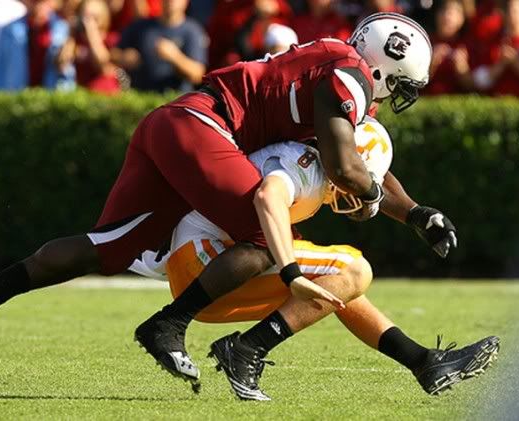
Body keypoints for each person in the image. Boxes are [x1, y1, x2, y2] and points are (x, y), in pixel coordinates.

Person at [0, 14, 443, 391]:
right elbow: (345, 167)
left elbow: (359, 161)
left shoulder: (336, 60)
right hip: (204, 127)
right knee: (264, 234)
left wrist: (414, 211)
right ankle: (169, 325)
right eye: (400, 83)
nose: (394, 96)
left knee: (112, 247)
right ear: (385, 65)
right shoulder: (348, 74)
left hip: (176, 123)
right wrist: (372, 199)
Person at [129, 117, 497, 400]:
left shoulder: (320, 163)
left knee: (337, 283)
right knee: (353, 269)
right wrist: (290, 272)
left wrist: (415, 213)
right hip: (206, 264)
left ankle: (422, 363)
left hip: (209, 272)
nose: (368, 192)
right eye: (364, 179)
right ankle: (246, 350)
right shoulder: (302, 162)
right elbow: (269, 195)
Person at [111, 0, 206, 92]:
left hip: (174, 99)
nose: (170, 1)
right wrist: (123, 57)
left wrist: (175, 57)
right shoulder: (141, 26)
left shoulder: (192, 31)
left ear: (186, 2)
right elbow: (113, 54)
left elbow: (198, 75)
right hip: (138, 96)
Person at [0, 0, 75, 90]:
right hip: (16, 97)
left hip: (50, 95)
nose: (38, 5)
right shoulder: (9, 30)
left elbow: (68, 74)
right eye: (34, 1)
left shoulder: (62, 29)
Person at [470, 0, 519, 96]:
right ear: (504, 13)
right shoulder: (493, 40)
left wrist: (515, 62)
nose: (514, 15)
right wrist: (501, 64)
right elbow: (479, 81)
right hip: (497, 103)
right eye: (511, 10)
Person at [57, 0, 122, 94]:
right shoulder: (77, 41)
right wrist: (70, 36)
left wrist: (92, 35)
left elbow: (104, 68)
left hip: (106, 95)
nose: (87, 21)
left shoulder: (111, 39)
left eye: (94, 17)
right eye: (85, 16)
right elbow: (62, 64)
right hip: (83, 95)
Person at [424, 0, 473, 95]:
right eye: (443, 11)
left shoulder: (467, 46)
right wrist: (431, 66)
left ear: (462, 19)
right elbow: (413, 85)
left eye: (454, 12)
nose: (447, 17)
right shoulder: (425, 42)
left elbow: (475, 88)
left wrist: (462, 70)